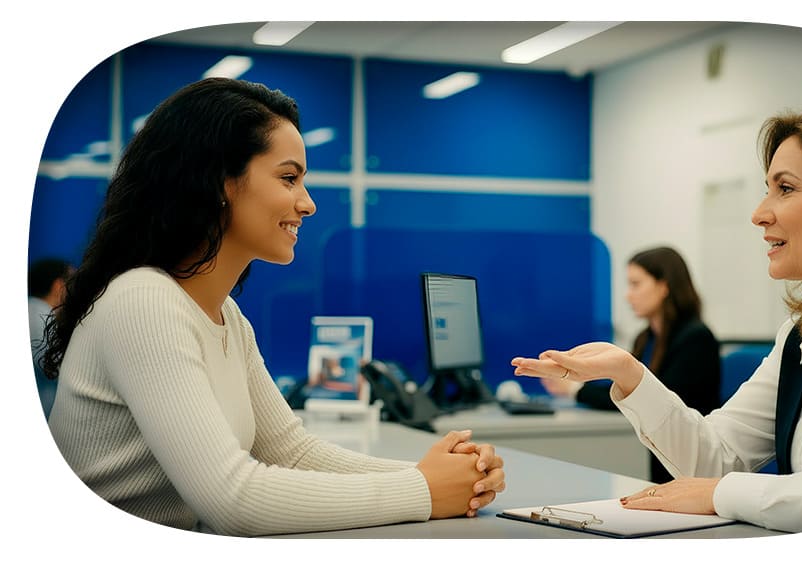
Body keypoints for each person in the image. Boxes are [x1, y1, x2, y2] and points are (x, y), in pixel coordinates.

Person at [42, 77, 505, 536]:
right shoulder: (143, 301)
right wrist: (423, 489)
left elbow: (292, 453)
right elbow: (232, 500)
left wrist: (441, 477)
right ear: (218, 182)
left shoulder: (227, 316)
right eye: (289, 178)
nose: (308, 204)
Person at [512, 104, 802, 533]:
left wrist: (718, 493)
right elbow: (714, 459)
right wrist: (629, 374)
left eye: (785, 189)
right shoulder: (801, 338)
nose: (759, 213)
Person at [540, 246, 720, 483]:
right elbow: (626, 389)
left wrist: (575, 389)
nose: (628, 295)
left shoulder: (696, 339)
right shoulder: (646, 338)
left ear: (664, 286)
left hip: (685, 466)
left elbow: (650, 400)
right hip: (657, 454)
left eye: (636, 284)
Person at [28, 258, 72, 419]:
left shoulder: (32, 311)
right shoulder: (41, 318)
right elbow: (59, 370)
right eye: (73, 282)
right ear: (58, 286)